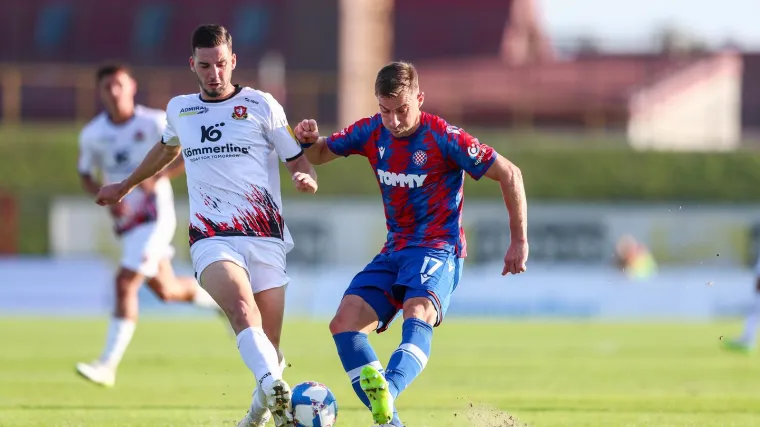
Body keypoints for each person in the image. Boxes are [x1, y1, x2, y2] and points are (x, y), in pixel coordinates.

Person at [94, 24, 318, 427]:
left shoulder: (262, 104)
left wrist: (306, 176)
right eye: (205, 65)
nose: (214, 73)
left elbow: (296, 156)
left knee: (270, 348)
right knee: (241, 309)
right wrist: (125, 186)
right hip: (212, 237)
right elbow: (166, 149)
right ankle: (274, 387)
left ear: (233, 61)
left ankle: (256, 414)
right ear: (192, 65)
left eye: (220, 64)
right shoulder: (181, 109)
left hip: (265, 236)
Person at [294, 61, 529, 427]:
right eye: (385, 110)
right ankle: (390, 420)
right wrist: (308, 141)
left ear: (419, 99)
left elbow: (510, 173)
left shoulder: (444, 137)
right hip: (395, 249)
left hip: (439, 247)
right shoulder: (372, 131)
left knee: (417, 311)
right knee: (344, 322)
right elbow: (320, 154)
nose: (393, 120)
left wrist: (519, 240)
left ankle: (388, 389)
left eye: (401, 110)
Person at [75, 63, 219, 388]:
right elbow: (85, 173)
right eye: (107, 86)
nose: (114, 91)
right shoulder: (93, 134)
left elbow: (189, 150)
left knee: (125, 282)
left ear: (132, 87)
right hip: (129, 222)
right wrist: (104, 196)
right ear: (100, 92)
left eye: (119, 84)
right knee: (166, 290)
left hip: (156, 217)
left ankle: (107, 365)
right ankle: (217, 300)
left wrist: (160, 176)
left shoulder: (154, 122)